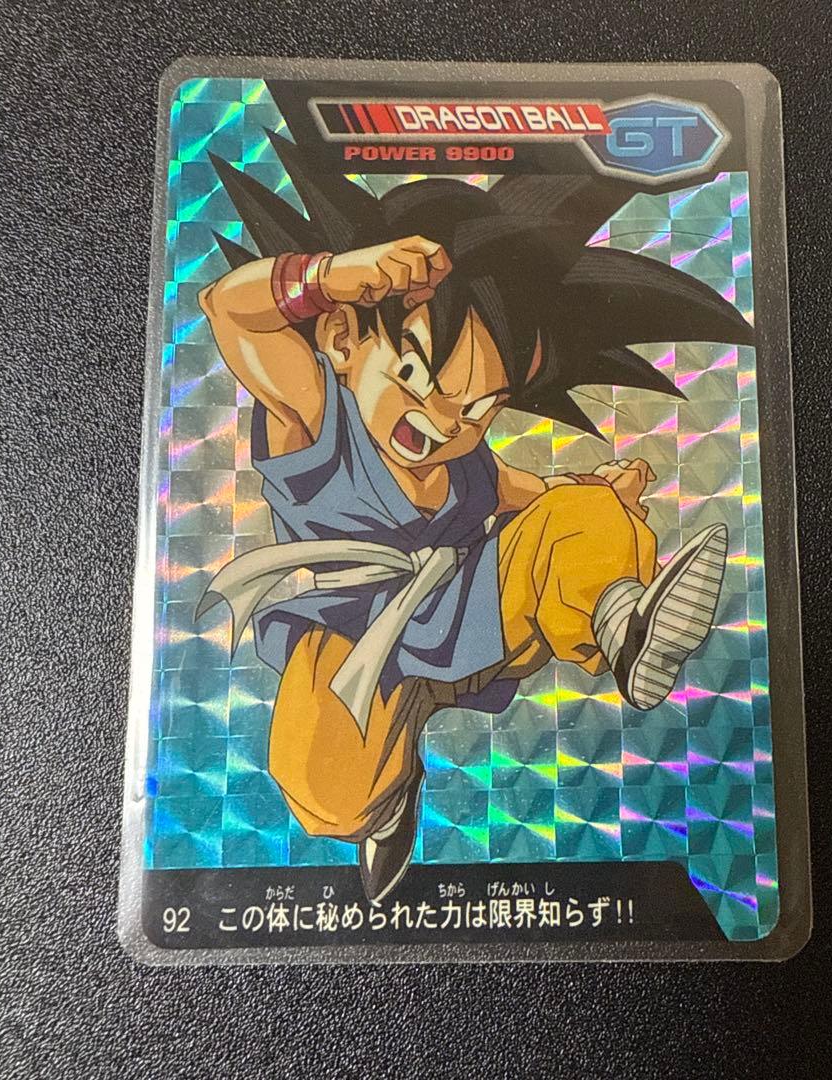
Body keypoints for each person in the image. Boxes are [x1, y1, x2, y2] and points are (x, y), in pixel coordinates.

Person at [196, 134, 754, 902]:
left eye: (478, 407)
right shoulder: (318, 421)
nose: (443, 422)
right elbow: (230, 311)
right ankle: (385, 802)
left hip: (470, 618)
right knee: (326, 794)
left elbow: (517, 491)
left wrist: (596, 494)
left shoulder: (466, 463)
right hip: (350, 644)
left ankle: (622, 626)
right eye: (417, 375)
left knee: (577, 512)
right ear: (344, 338)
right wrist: (332, 277)